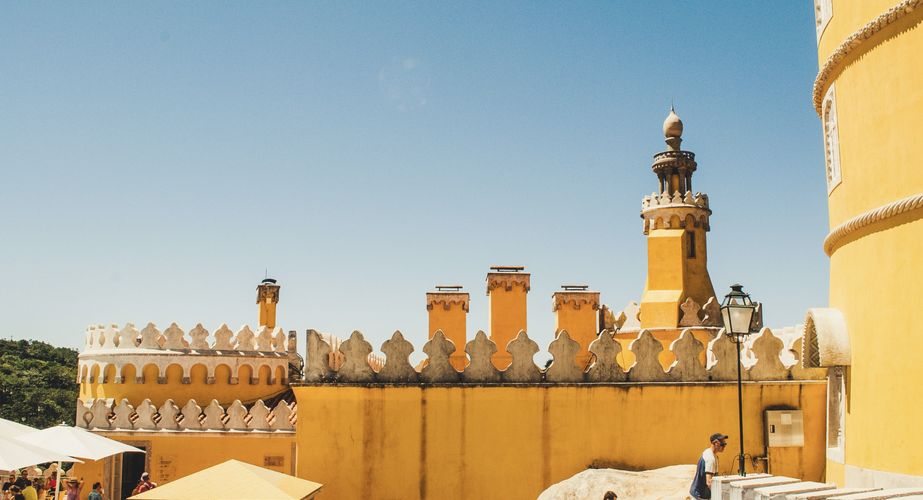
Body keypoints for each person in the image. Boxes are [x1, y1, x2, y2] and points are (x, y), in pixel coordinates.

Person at [689, 432, 727, 500]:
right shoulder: (710, 458)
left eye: (725, 444)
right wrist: (719, 495)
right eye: (722, 444)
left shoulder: (709, 453)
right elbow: (709, 482)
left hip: (699, 494)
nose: (724, 446)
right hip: (700, 496)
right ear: (715, 443)